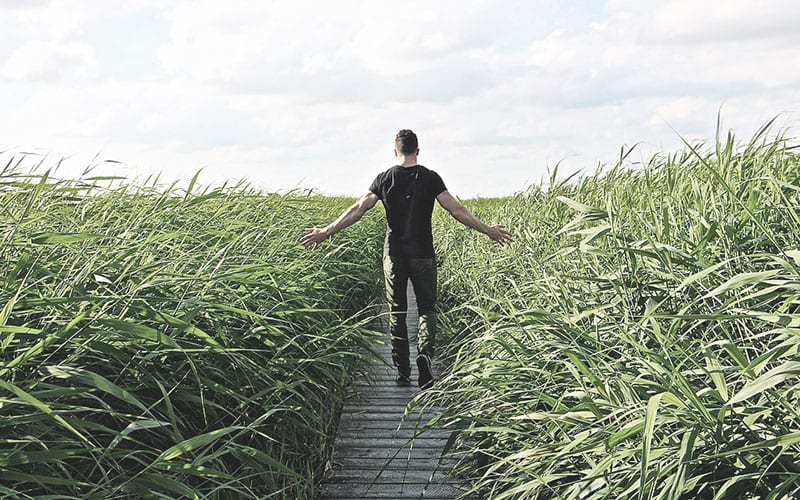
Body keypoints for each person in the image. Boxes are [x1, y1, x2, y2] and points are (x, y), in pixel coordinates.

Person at [300, 129, 513, 389]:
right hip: (423, 254)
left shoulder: (385, 178)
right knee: (426, 309)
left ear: (395, 151)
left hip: (394, 255)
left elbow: (358, 209)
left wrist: (326, 231)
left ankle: (402, 370)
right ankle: (425, 354)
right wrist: (488, 230)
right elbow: (456, 210)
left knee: (397, 311)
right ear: (417, 151)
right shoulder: (430, 178)